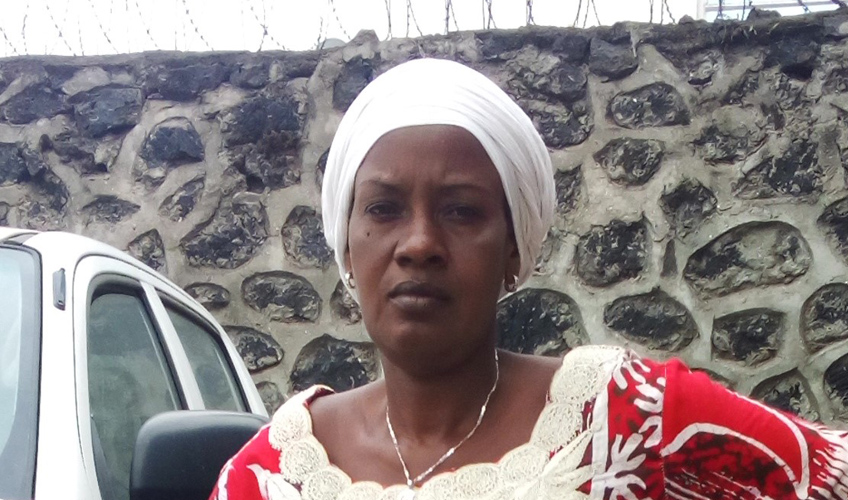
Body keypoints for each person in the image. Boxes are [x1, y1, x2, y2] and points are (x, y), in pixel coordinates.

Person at [210, 58, 848, 500]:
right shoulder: (267, 476)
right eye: (383, 209)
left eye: (462, 210)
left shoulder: (627, 422)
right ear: (346, 245)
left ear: (516, 248)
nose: (421, 243)